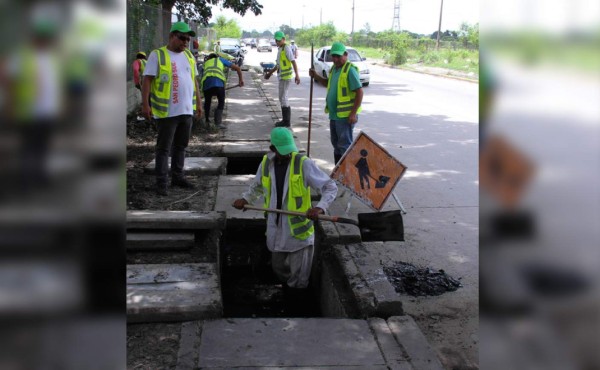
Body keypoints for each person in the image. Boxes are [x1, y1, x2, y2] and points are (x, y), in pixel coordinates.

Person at [232, 128, 337, 298]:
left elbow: (330, 186)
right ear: (273, 149)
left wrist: (320, 207)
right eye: (283, 151)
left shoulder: (303, 163)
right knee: (278, 267)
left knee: (299, 277)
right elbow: (257, 186)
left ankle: (297, 301)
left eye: (289, 150)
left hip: (299, 232)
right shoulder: (266, 162)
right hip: (276, 226)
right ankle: (288, 289)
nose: (287, 154)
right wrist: (245, 199)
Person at [142, 21, 202, 196]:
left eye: (188, 40)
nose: (185, 42)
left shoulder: (189, 56)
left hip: (185, 110)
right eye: (182, 38)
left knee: (181, 146)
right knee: (163, 149)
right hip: (167, 112)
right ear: (171, 36)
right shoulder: (157, 55)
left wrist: (199, 104)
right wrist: (145, 104)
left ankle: (178, 176)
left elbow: (194, 82)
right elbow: (147, 80)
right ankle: (161, 182)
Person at [309, 42, 363, 164]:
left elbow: (359, 92)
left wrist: (353, 113)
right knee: (336, 144)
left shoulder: (350, 70)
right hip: (334, 115)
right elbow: (328, 83)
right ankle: (338, 173)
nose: (336, 59)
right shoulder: (334, 69)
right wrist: (316, 76)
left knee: (345, 146)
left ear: (346, 55)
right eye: (333, 56)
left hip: (345, 116)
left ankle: (346, 177)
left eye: (338, 56)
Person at [264, 31, 300, 128]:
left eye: (279, 40)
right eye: (276, 41)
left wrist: (297, 75)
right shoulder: (281, 49)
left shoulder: (286, 48)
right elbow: (278, 65)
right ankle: (285, 120)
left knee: (284, 98)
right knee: (282, 98)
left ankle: (286, 121)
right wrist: (270, 73)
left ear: (284, 39)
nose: (277, 42)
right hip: (282, 77)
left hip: (286, 77)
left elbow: (293, 61)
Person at [201, 53, 244, 129]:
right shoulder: (221, 59)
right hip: (219, 84)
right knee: (221, 102)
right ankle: (218, 123)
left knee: (207, 102)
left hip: (207, 84)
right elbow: (238, 68)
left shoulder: (205, 63)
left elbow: (202, 74)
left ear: (209, 58)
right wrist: (240, 80)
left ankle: (207, 121)